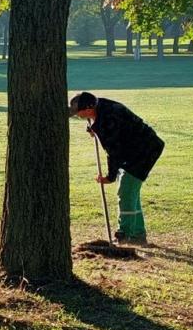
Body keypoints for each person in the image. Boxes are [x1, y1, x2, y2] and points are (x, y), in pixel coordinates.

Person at [69, 91, 165, 245]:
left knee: (126, 190)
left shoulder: (109, 119)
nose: (77, 115)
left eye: (78, 112)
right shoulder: (101, 108)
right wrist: (95, 128)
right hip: (136, 148)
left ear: (88, 109)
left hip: (144, 149)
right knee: (131, 191)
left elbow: (114, 152)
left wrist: (110, 177)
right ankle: (137, 234)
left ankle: (125, 234)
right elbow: (104, 127)